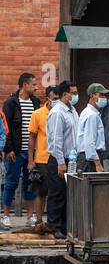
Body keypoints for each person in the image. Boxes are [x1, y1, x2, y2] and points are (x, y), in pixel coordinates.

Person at [2, 72, 38, 227]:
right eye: (33, 84)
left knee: (30, 183)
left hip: (31, 153)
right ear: (25, 85)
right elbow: (6, 127)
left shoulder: (36, 102)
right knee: (11, 183)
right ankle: (6, 216)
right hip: (15, 152)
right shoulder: (11, 103)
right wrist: (8, 149)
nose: (36, 87)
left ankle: (30, 216)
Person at [44, 82, 78, 239]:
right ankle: (54, 226)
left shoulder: (72, 110)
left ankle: (65, 226)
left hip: (71, 158)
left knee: (68, 194)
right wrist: (60, 162)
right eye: (74, 92)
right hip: (59, 159)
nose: (76, 95)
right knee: (57, 194)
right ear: (65, 94)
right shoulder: (58, 112)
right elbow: (56, 140)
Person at [26, 86, 54, 228]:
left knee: (55, 192)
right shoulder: (38, 114)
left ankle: (52, 221)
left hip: (57, 158)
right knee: (40, 191)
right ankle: (38, 220)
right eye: (53, 97)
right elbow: (32, 138)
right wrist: (31, 160)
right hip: (42, 158)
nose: (55, 100)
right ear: (47, 98)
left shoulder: (62, 113)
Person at [75, 83, 109, 173]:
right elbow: (89, 142)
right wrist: (97, 164)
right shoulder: (91, 115)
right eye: (101, 95)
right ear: (92, 95)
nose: (104, 98)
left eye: (104, 95)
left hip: (89, 158)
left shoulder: (90, 113)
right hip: (90, 160)